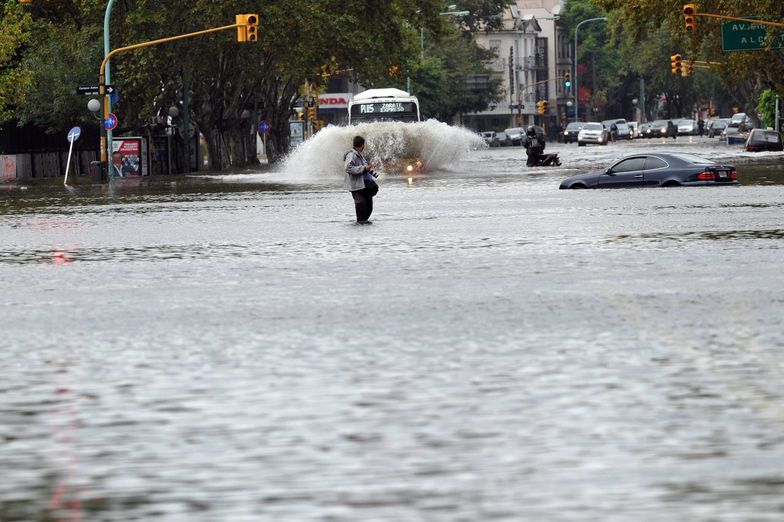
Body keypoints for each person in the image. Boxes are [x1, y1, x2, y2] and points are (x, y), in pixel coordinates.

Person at [344, 135, 378, 224]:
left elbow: (363, 168)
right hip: (357, 186)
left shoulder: (360, 155)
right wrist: (363, 168)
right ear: (362, 144)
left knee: (369, 206)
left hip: (365, 185)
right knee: (361, 205)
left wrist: (368, 169)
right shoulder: (351, 155)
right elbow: (348, 168)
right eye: (364, 145)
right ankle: (360, 226)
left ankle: (363, 224)